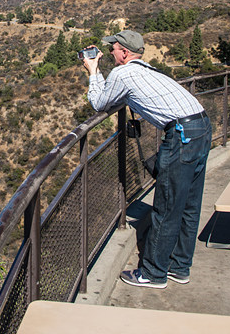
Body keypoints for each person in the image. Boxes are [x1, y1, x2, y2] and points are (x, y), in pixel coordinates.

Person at [81, 30, 211, 289]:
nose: (110, 53)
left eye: (113, 49)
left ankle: (153, 273)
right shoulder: (149, 70)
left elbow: (98, 102)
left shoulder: (123, 73)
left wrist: (93, 71)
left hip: (181, 136)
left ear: (125, 53)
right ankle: (179, 266)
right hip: (201, 126)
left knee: (166, 205)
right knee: (189, 204)